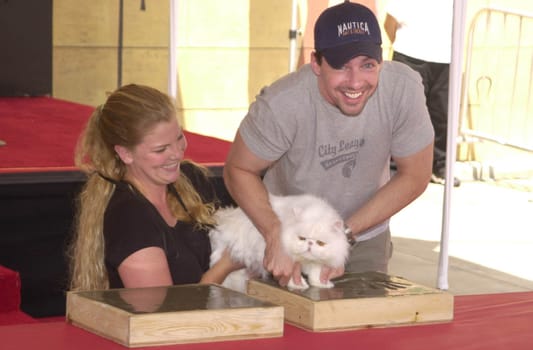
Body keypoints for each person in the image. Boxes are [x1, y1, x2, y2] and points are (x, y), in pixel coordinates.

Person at [223, 1, 434, 288]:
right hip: (291, 236)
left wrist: (343, 235)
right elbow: (238, 170)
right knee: (287, 325)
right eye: (341, 66)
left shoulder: (403, 88)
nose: (355, 81)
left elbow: (416, 175)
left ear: (381, 61)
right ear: (316, 63)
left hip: (366, 235)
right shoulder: (282, 103)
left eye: (367, 65)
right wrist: (275, 234)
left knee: (363, 325)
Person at [68, 83, 240, 291]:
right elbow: (165, 313)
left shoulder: (190, 179)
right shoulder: (130, 218)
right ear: (125, 154)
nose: (177, 153)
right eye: (161, 149)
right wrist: (226, 266)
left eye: (179, 138)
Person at [384, 0, 459, 187]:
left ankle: (439, 167)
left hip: (445, 58)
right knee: (404, 113)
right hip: (410, 54)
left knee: (442, 114)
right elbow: (389, 23)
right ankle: (395, 167)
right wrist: (406, 46)